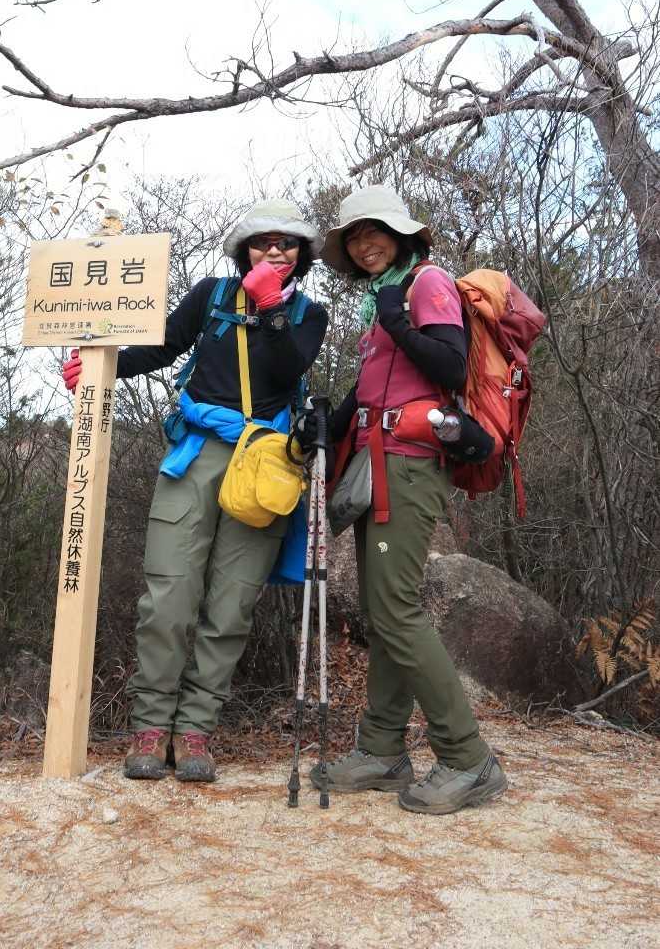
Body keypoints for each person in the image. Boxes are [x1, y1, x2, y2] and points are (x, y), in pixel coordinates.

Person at [62, 199, 327, 783]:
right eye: (263, 242)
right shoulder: (211, 295)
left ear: (303, 253)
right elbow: (162, 347)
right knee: (169, 596)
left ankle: (196, 731)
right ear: (243, 251)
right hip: (197, 453)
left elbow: (288, 369)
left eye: (287, 243)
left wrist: (271, 307)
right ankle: (150, 727)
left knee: (231, 604)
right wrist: (100, 368)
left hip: (265, 464)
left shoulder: (309, 313)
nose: (275, 250)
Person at [310, 184, 506, 815]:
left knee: (395, 609)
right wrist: (327, 425)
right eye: (353, 238)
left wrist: (397, 319)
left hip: (410, 464)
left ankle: (468, 759)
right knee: (381, 610)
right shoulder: (385, 299)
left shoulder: (426, 283)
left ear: (400, 233)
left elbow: (449, 366)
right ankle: (382, 750)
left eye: (373, 231)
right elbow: (373, 389)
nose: (364, 245)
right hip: (376, 461)